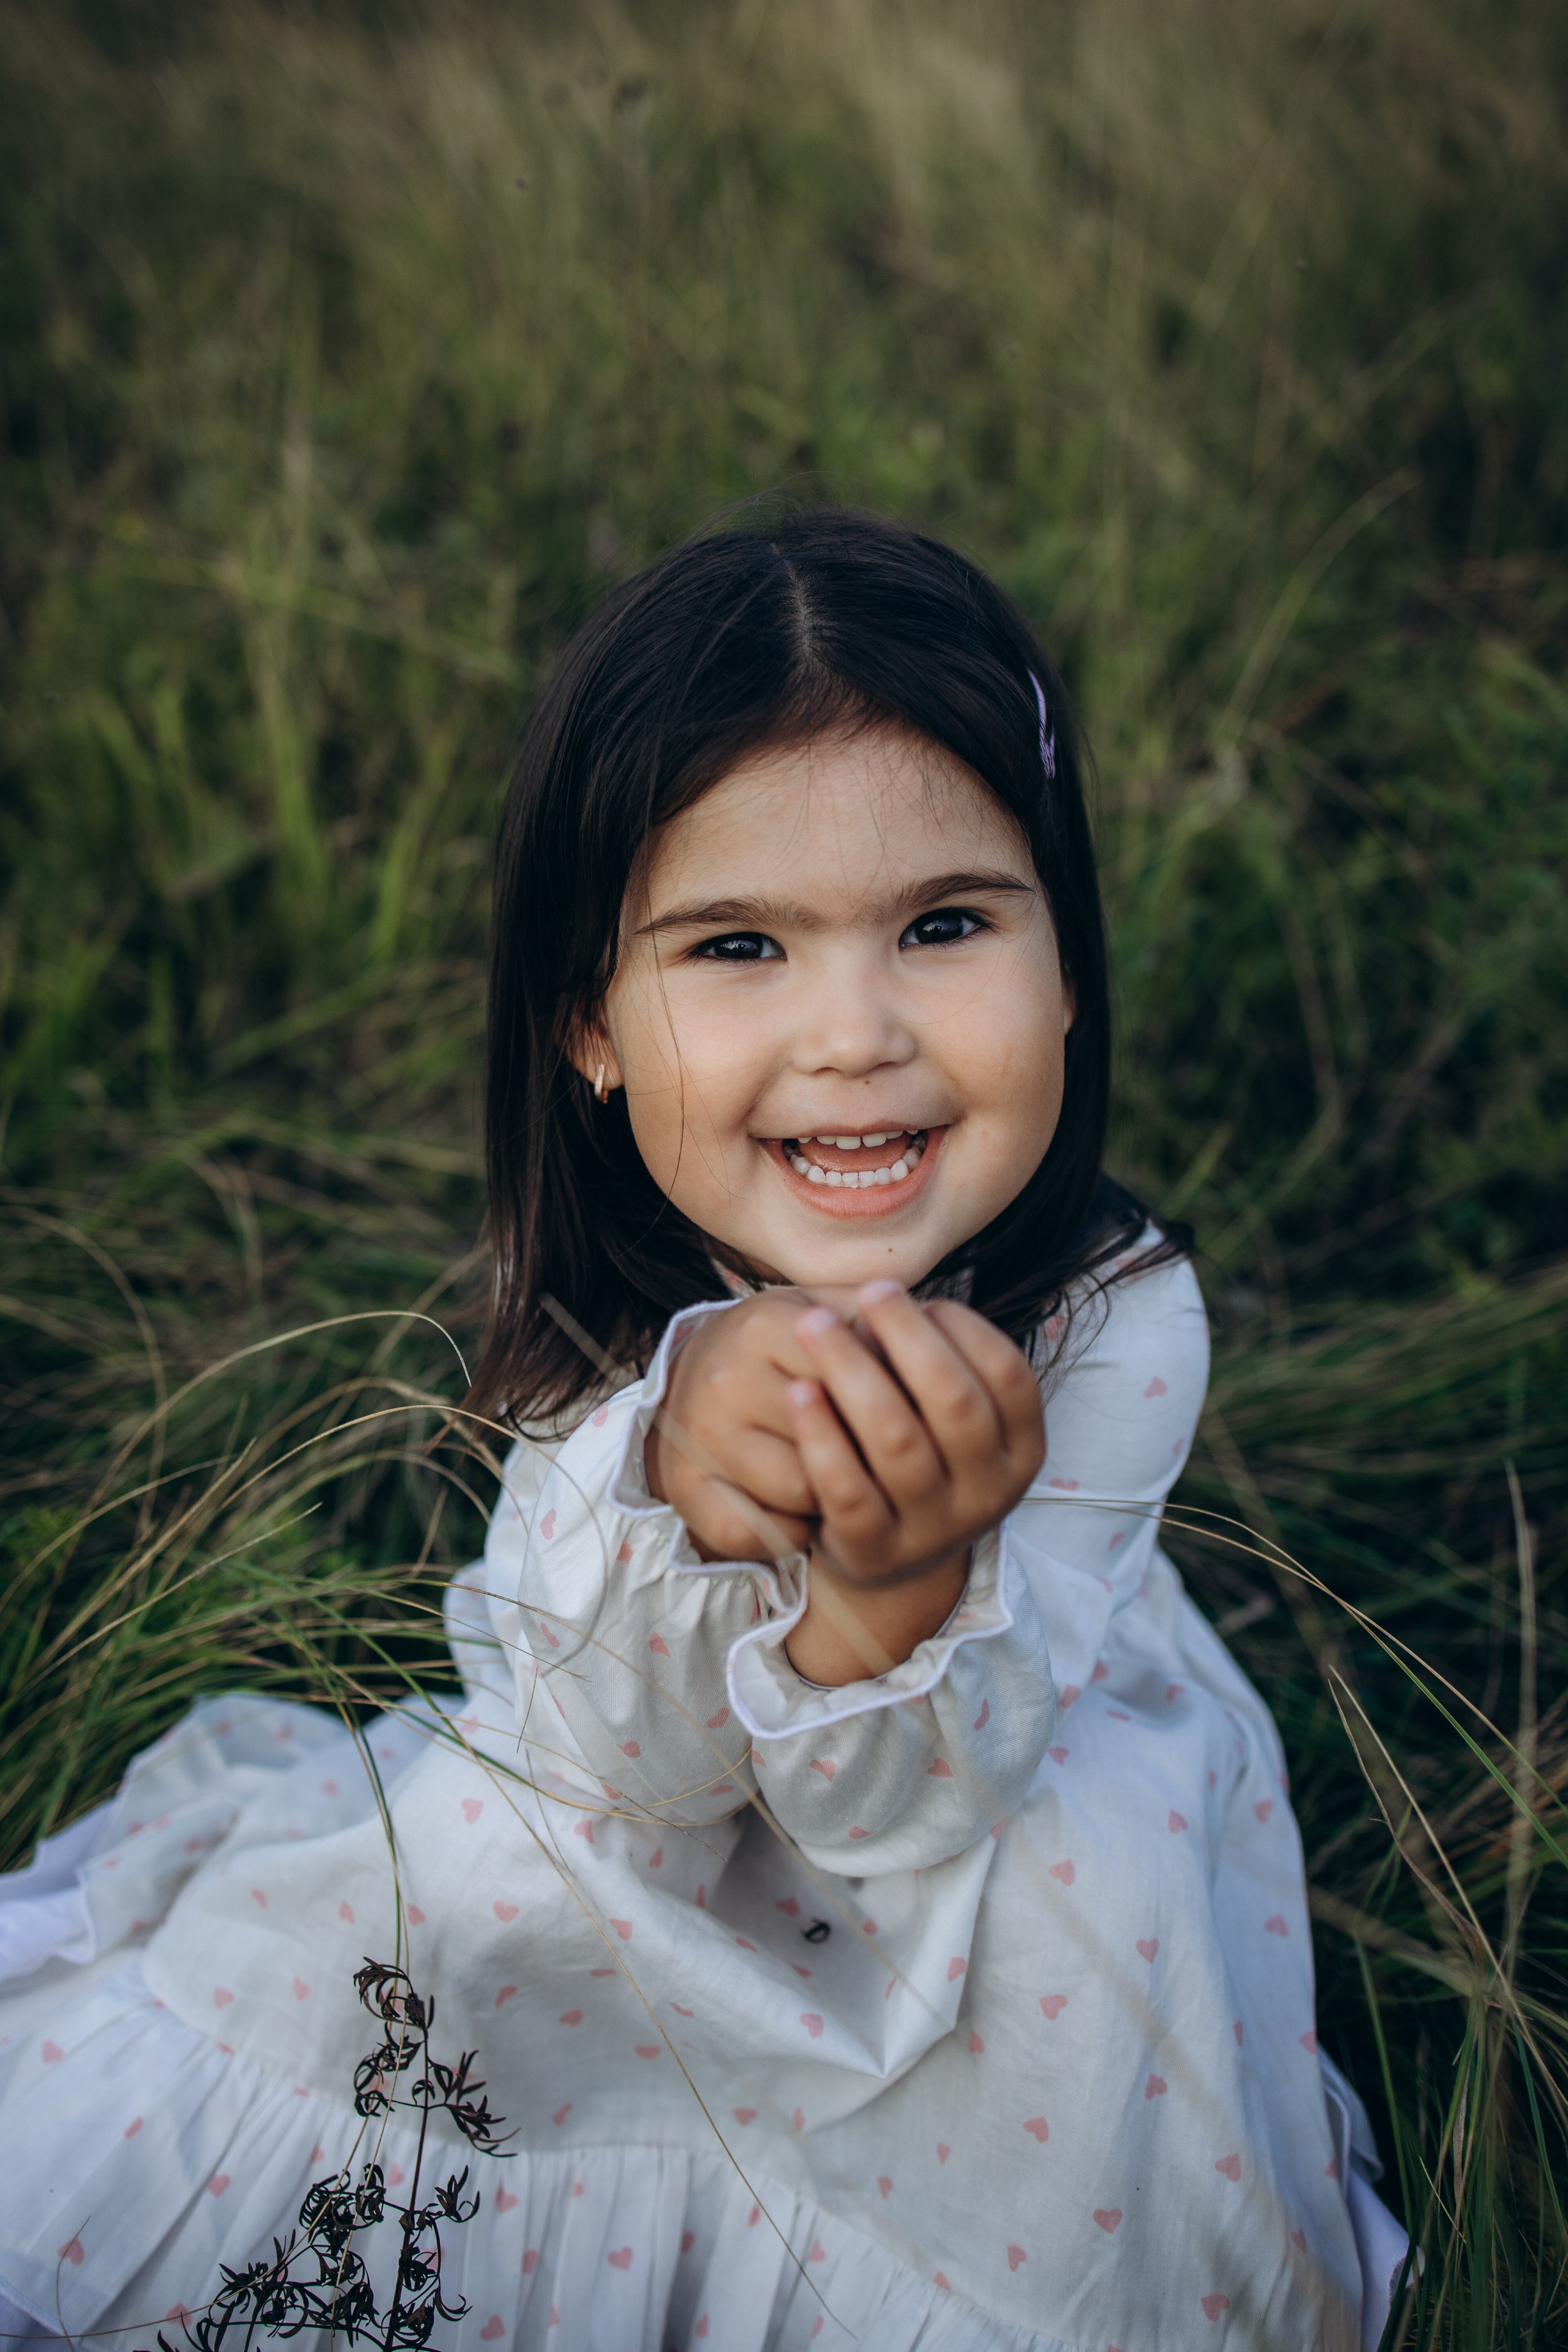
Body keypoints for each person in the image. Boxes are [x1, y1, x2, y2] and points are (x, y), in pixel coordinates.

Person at [0, 511, 1408, 2350]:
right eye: (739, 944)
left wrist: (893, 1595)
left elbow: (912, 1829)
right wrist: (676, 1480)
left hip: (986, 1781)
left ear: (1066, 963)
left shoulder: (1108, 1316)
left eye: (947, 925)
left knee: (1095, 1918)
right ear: (590, 1022)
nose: (855, 1035)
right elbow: (623, 1781)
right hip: (626, 1818)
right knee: (457, 1905)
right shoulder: (608, 1309)